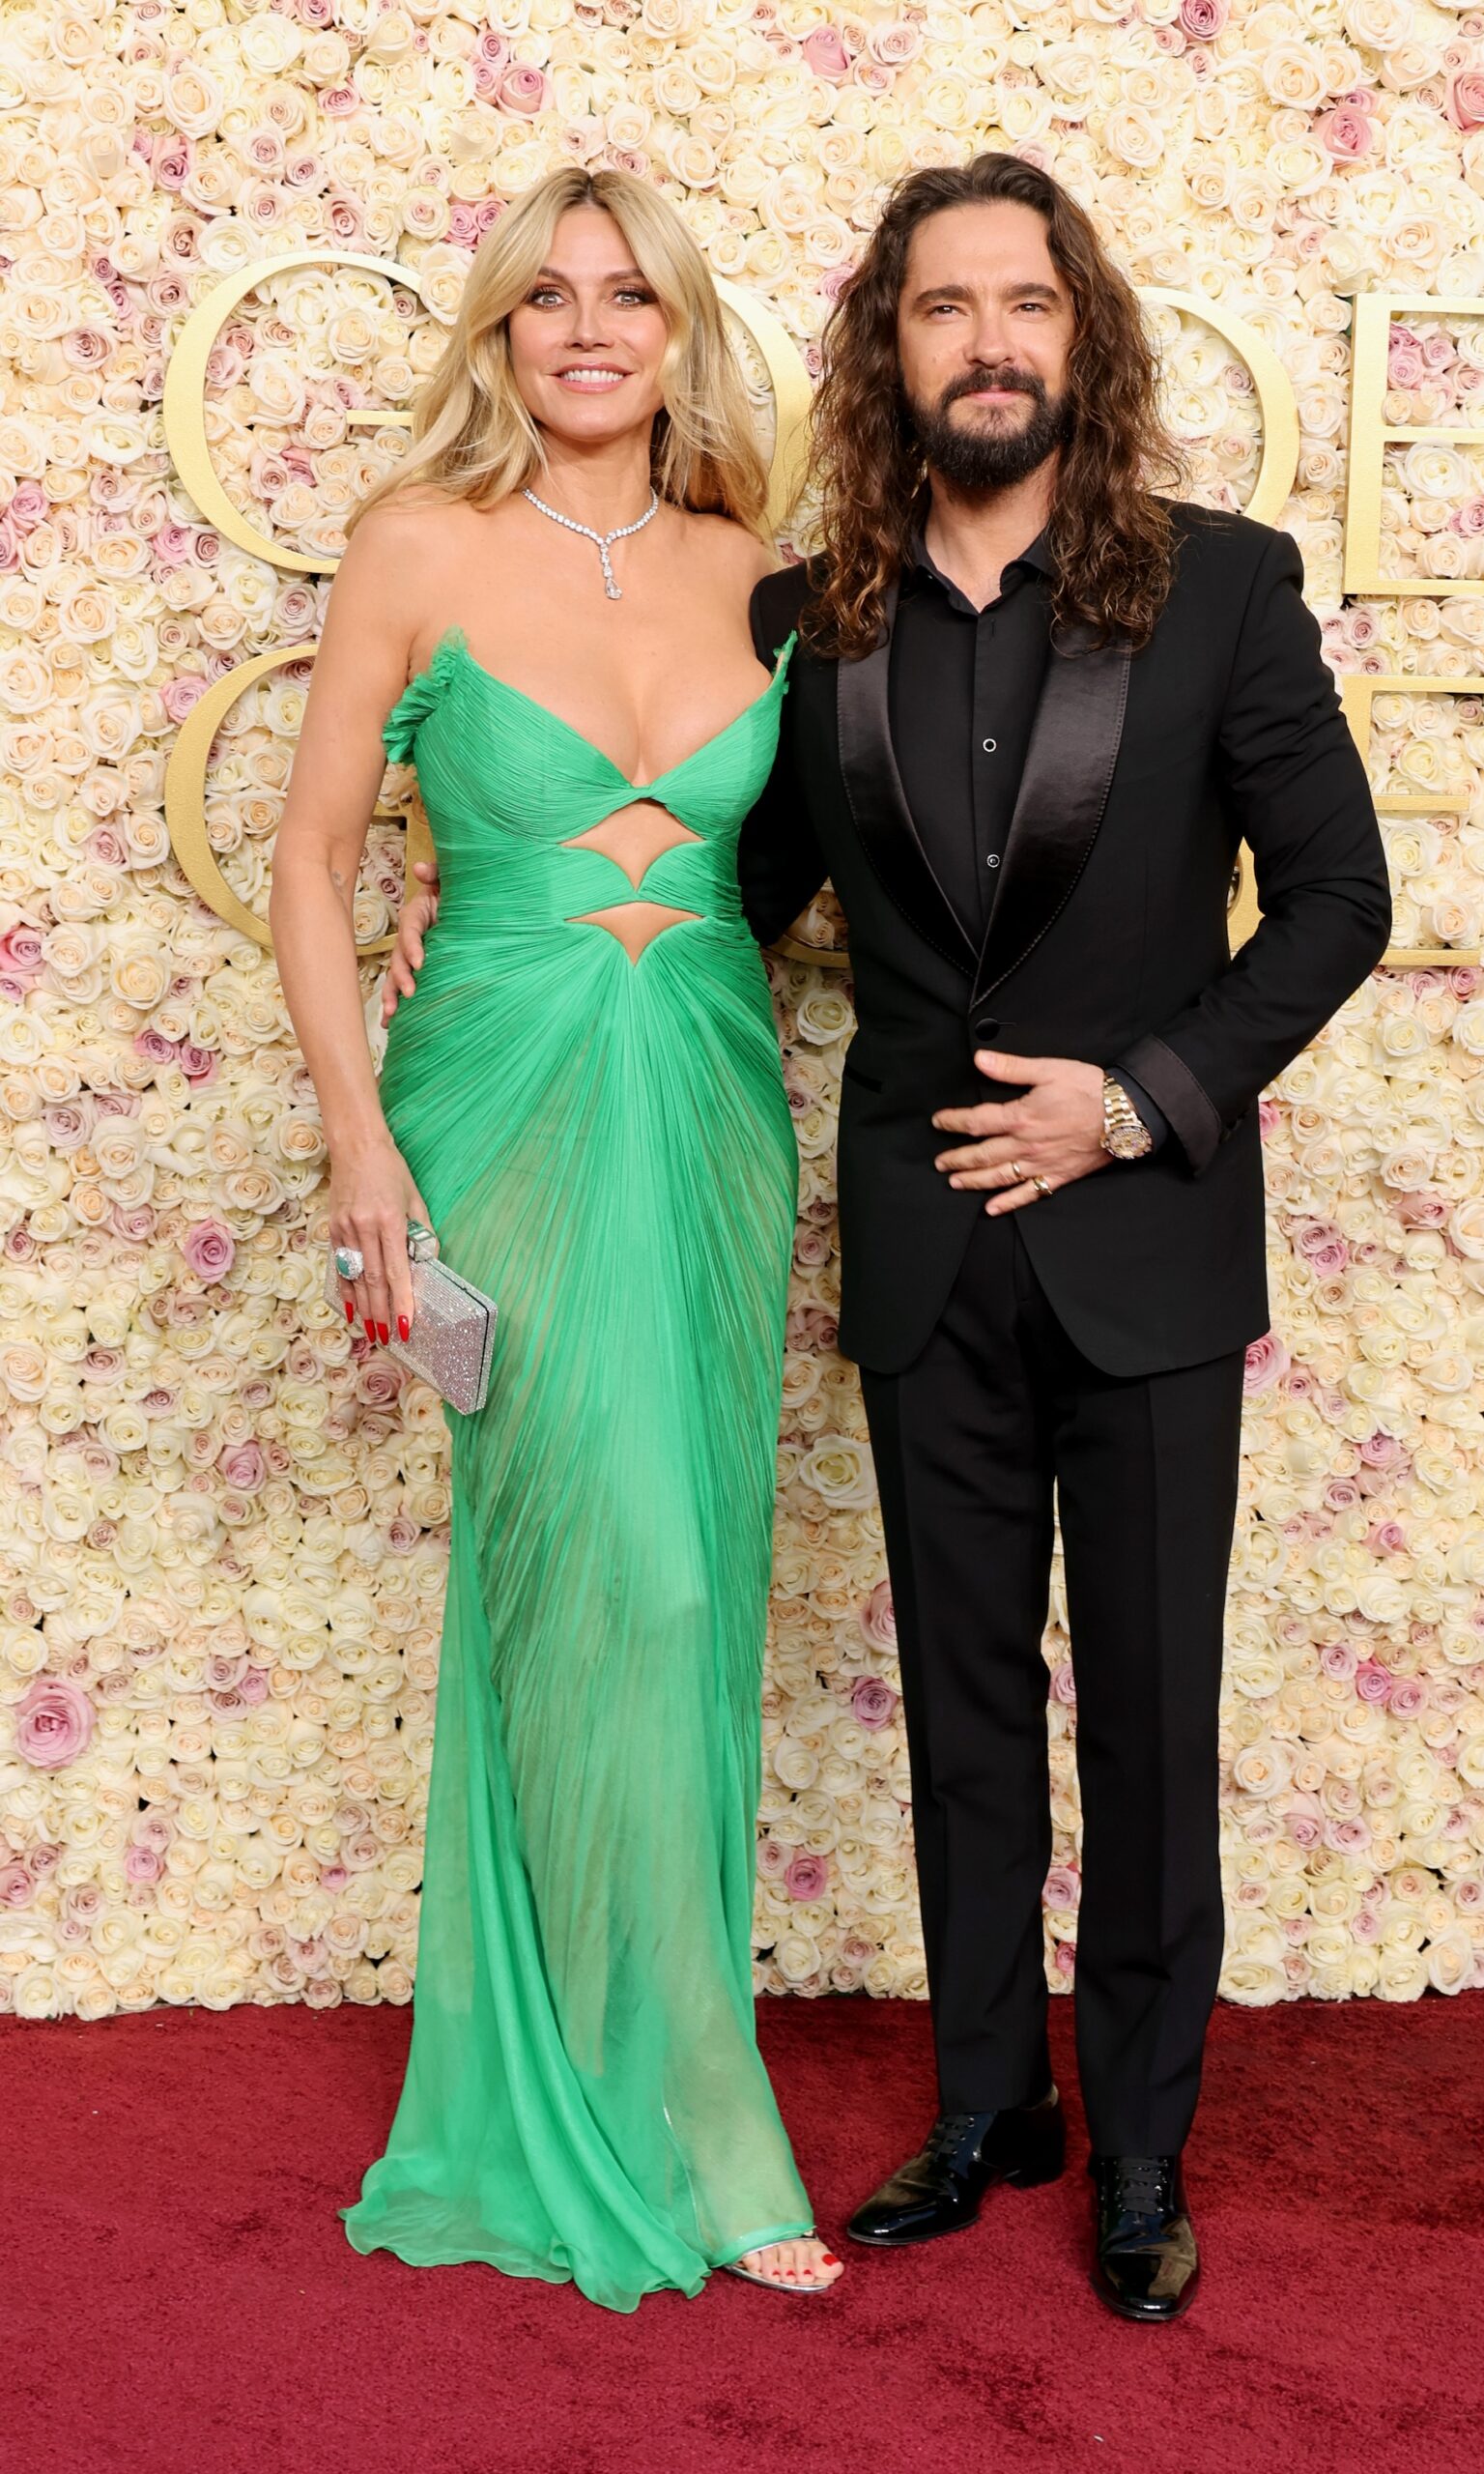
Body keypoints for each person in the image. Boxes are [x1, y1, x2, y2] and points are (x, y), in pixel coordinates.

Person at [387, 153, 1391, 2322]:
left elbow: (1335, 905)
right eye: (943, 308)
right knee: (958, 1714)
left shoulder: (1223, 588)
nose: (990, 342)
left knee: (1139, 1713)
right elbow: (723, 895)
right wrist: (503, 951)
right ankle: (980, 2109)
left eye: (1025, 303)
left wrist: (1141, 1099)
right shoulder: (810, 617)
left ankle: (1133, 2146)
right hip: (922, 1247)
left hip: (1142, 1251)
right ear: (888, 345)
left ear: (1080, 337)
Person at [270, 164, 844, 2310]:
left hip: (704, 1095)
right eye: (547, 298)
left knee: (687, 1583)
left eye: (630, 297)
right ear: (498, 332)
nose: (588, 329)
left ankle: (631, 2056)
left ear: (683, 331)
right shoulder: (417, 544)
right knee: (590, 1566)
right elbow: (320, 861)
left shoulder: (759, 572)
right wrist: (358, 1147)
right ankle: (685, 2112)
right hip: (488, 1102)